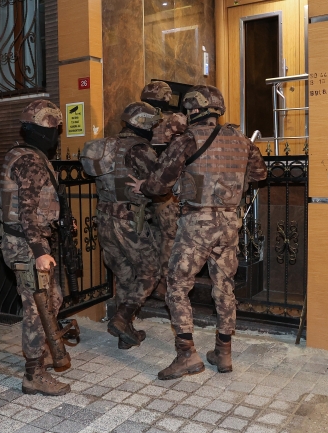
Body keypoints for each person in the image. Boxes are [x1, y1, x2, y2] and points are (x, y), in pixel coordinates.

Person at [128, 85, 267, 379]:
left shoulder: (187, 140)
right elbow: (260, 174)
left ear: (193, 110)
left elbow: (160, 184)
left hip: (196, 225)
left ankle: (186, 355)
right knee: (224, 287)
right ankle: (223, 352)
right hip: (229, 223)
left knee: (177, 284)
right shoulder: (241, 140)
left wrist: (144, 186)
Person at [0, 99, 71, 396]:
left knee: (53, 298)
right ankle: (33, 374)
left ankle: (42, 352)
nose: (55, 136)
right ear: (39, 131)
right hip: (26, 243)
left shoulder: (24, 154)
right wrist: (39, 250)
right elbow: (27, 211)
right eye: (52, 130)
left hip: (24, 239)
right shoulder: (30, 161)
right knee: (37, 307)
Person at [80, 102, 162, 350]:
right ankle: (122, 318)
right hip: (129, 219)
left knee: (124, 276)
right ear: (143, 123)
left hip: (104, 218)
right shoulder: (141, 150)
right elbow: (158, 184)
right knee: (150, 272)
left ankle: (126, 335)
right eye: (152, 125)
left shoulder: (105, 145)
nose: (153, 130)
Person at [141, 81, 186, 301]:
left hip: (146, 187)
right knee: (170, 238)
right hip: (167, 191)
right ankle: (166, 286)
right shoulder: (175, 119)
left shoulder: (140, 117)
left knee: (155, 237)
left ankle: (154, 283)